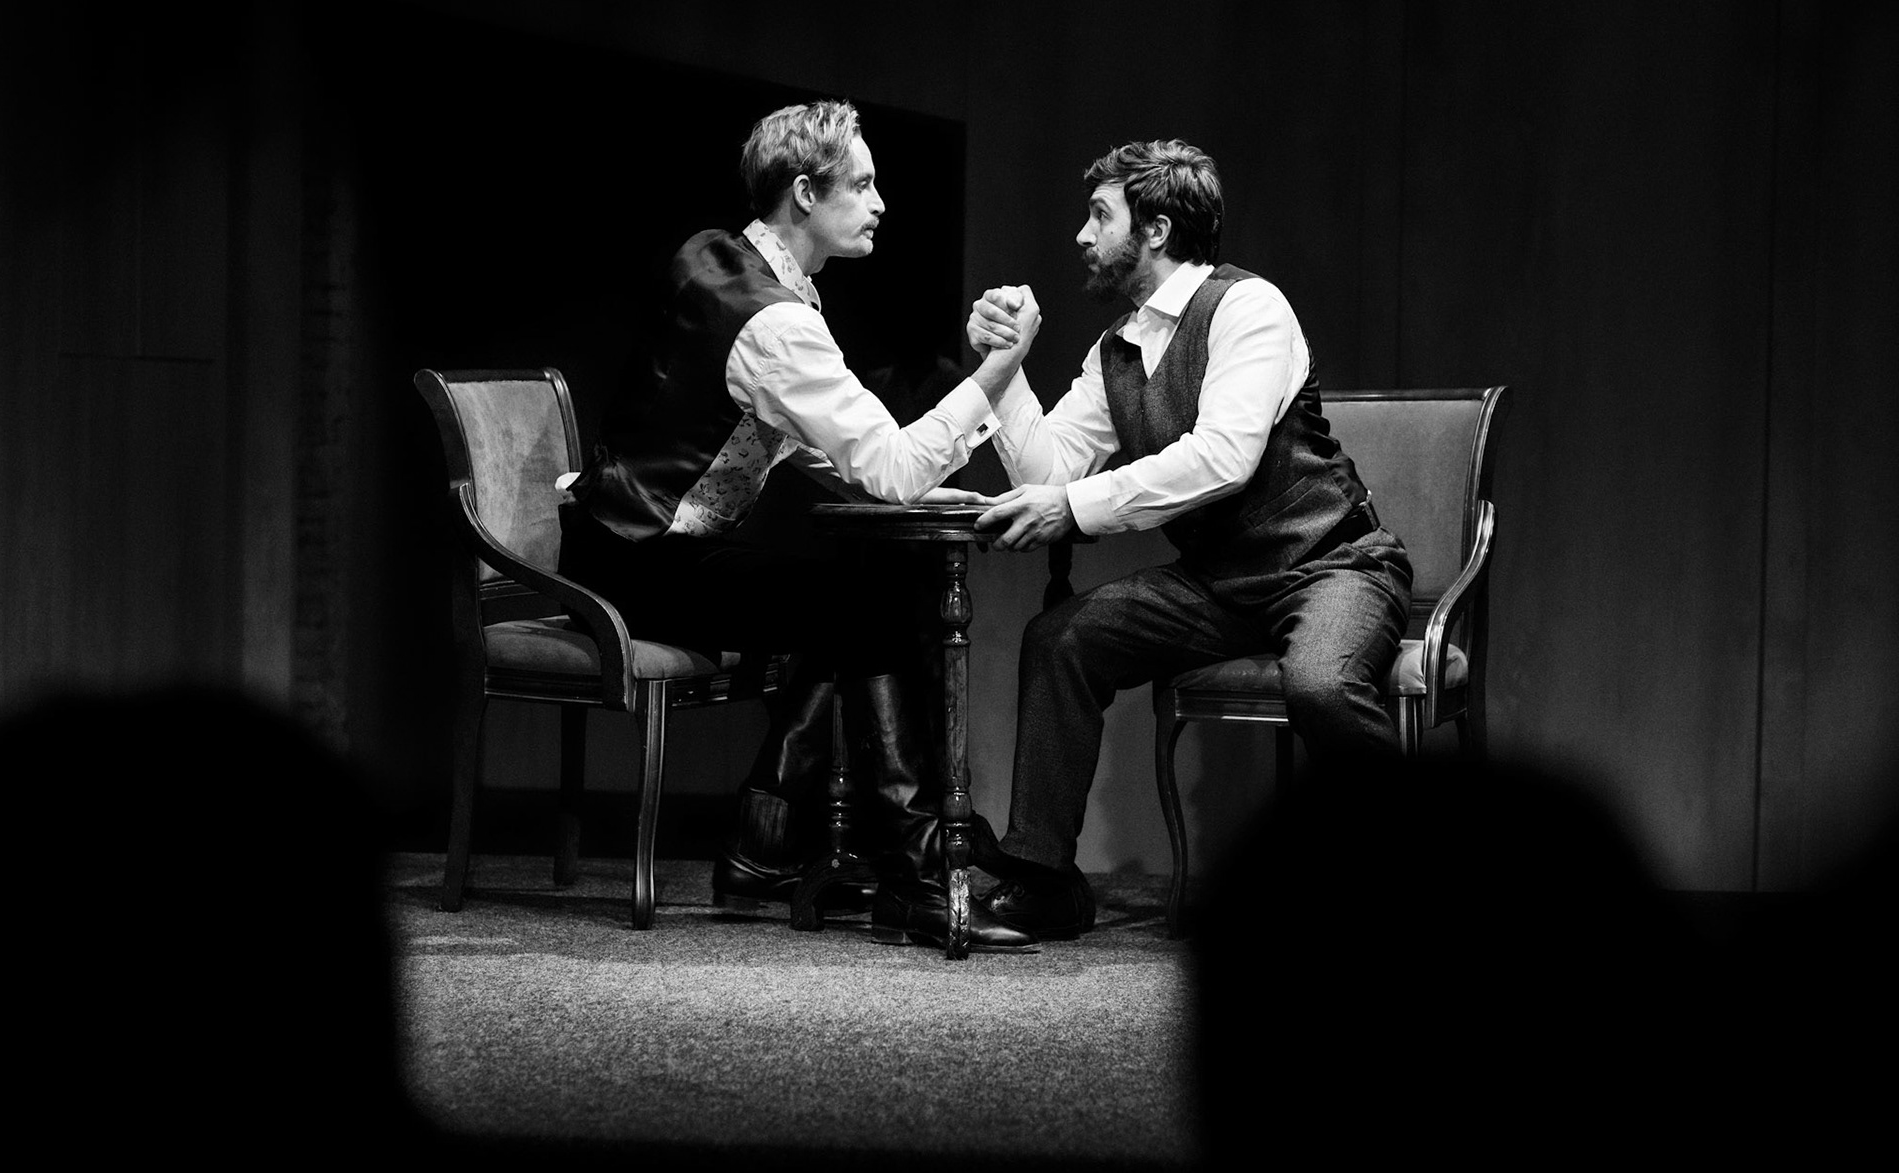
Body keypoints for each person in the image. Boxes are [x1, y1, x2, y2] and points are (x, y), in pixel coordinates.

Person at [562, 98, 1041, 951]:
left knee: (860, 593)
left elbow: (814, 446)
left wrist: (910, 486)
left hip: (612, 541)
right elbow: (888, 465)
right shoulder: (777, 322)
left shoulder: (720, 255)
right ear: (806, 194)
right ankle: (918, 867)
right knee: (865, 605)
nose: (881, 202)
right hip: (639, 561)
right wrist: (1000, 369)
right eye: (862, 184)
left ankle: (771, 836)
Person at [964, 139, 1414, 938]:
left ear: (1157, 228)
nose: (1081, 235)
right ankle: (1046, 881)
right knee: (1062, 638)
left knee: (1320, 684)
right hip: (1219, 585)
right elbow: (1051, 468)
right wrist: (1005, 367)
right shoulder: (1118, 349)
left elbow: (1222, 458)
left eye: (1100, 215)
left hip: (1331, 564)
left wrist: (1074, 506)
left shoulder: (1248, 308)